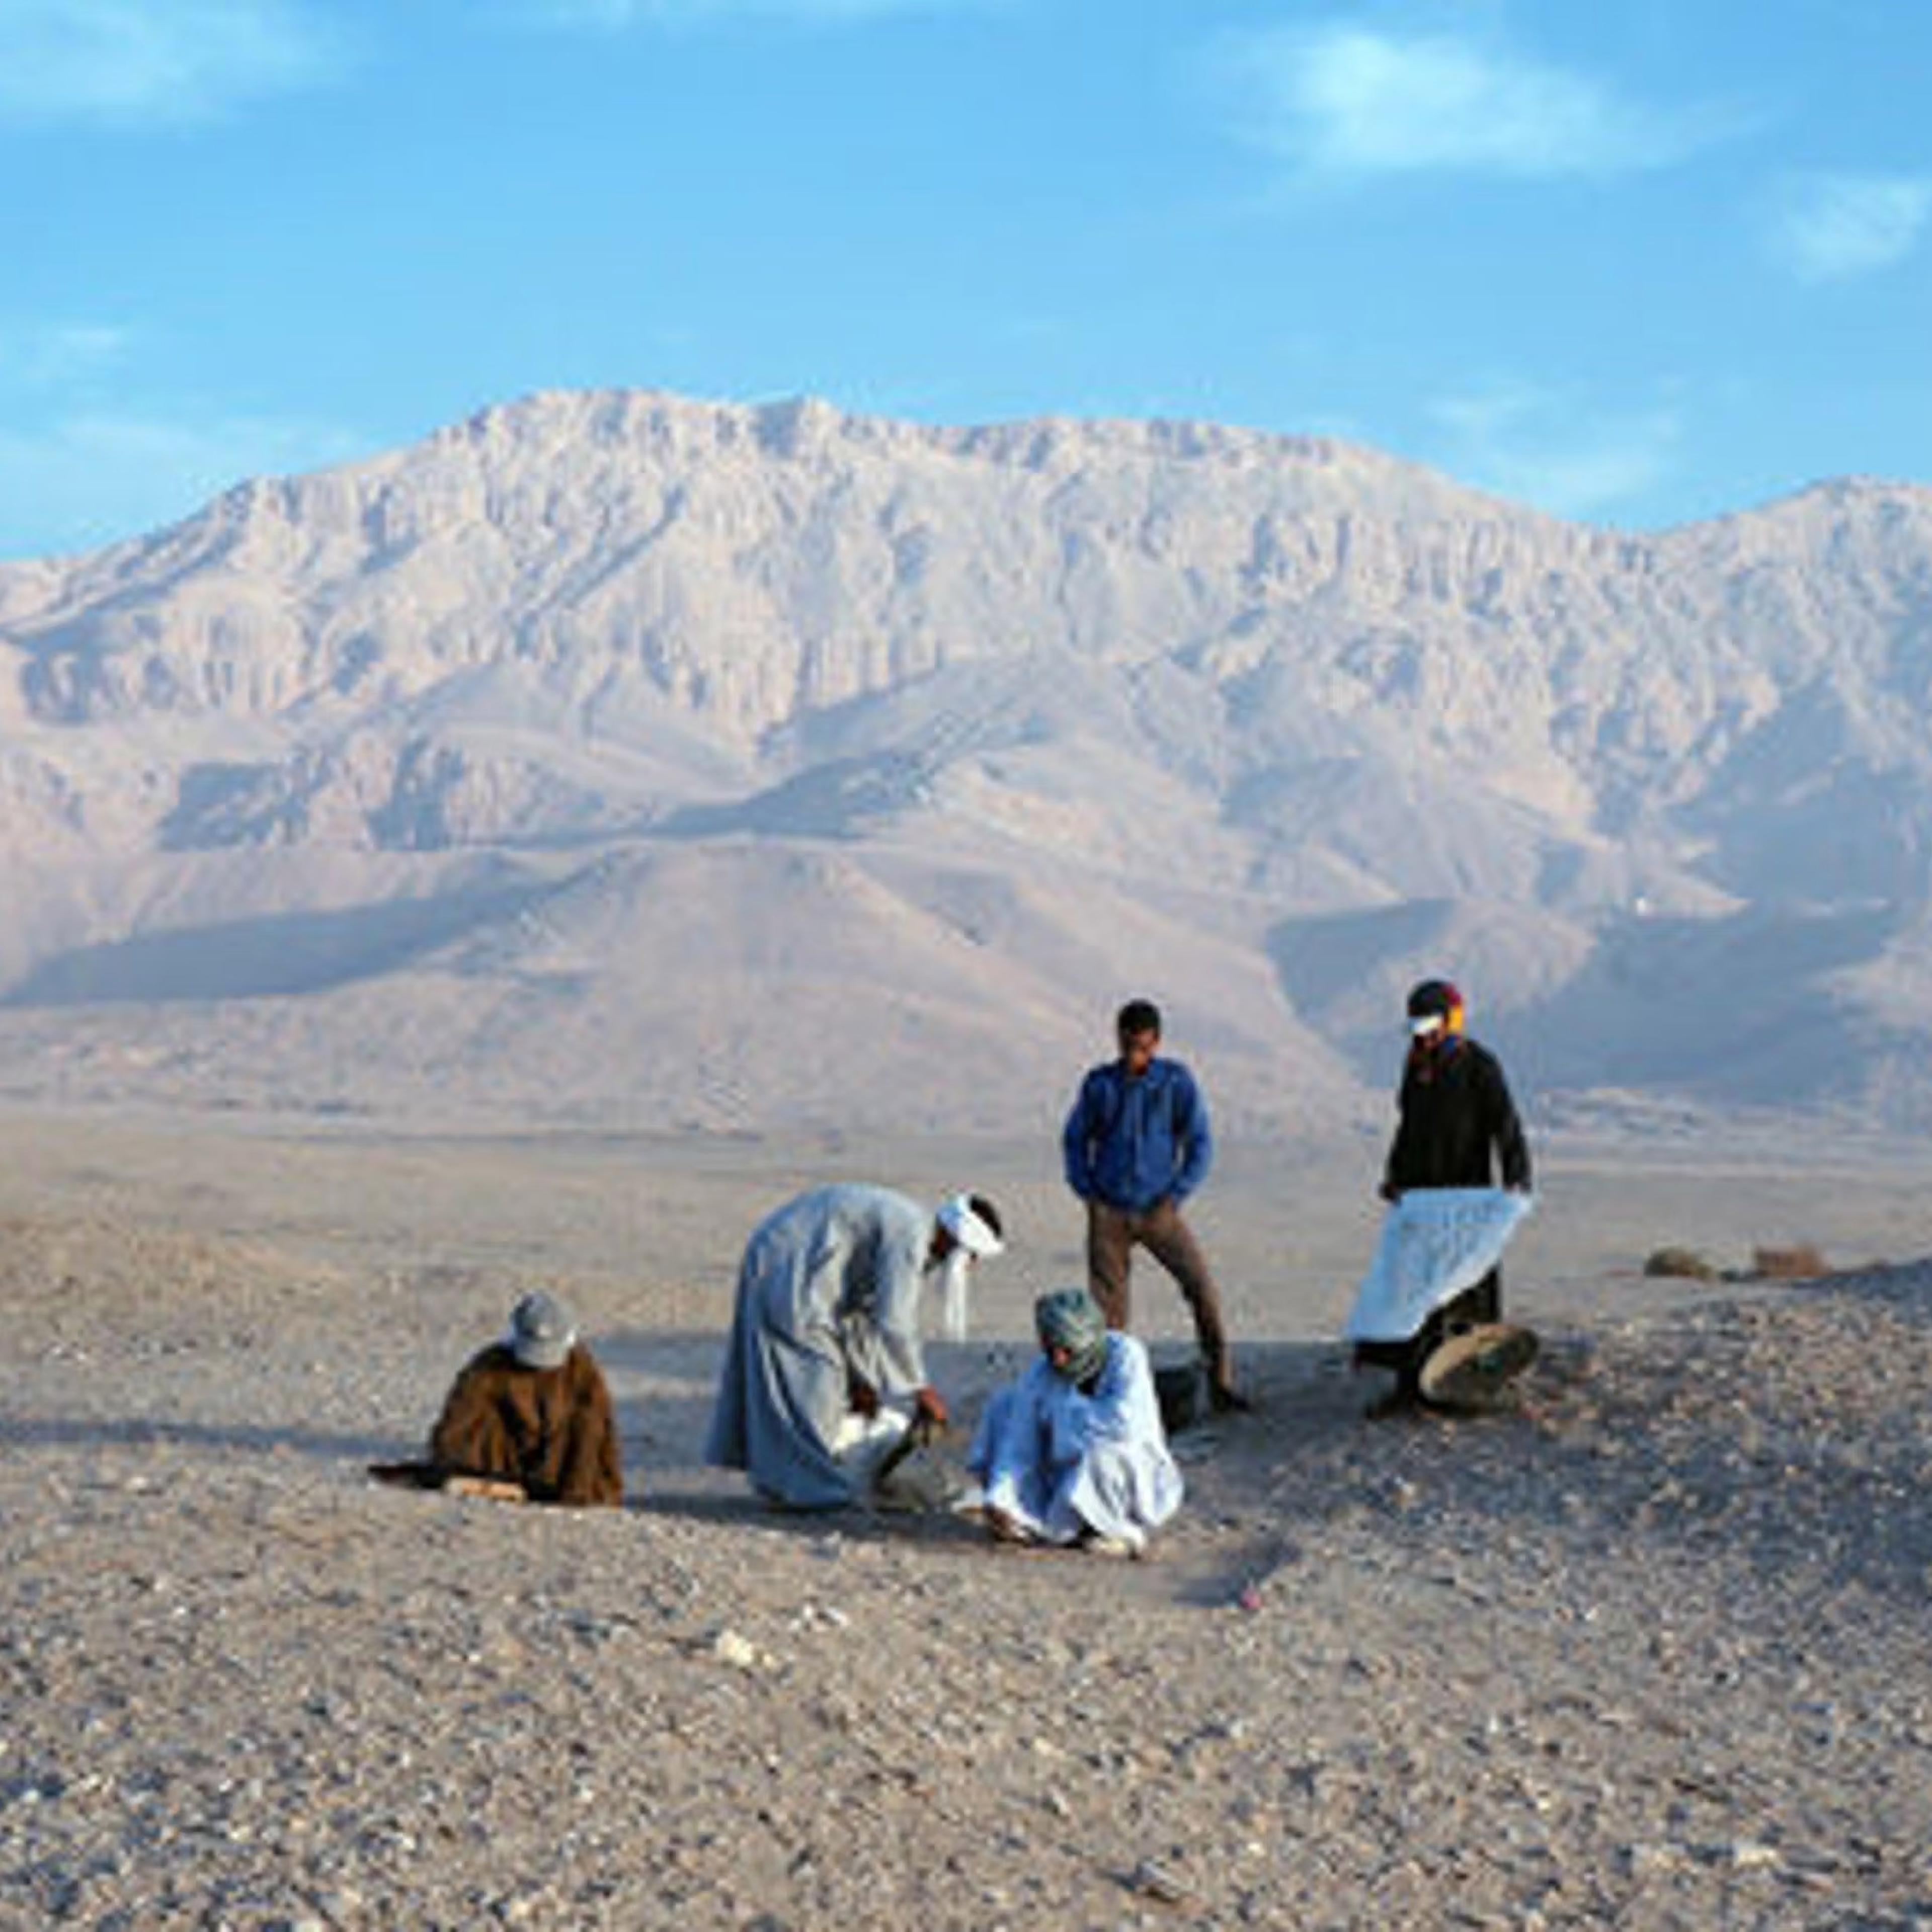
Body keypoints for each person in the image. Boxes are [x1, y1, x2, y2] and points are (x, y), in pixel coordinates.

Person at [705, 1183, 1005, 1509]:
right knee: (814, 1384)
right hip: (790, 1268)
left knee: (821, 1385)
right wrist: (921, 1390)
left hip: (798, 1270)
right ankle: (815, 1494)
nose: (972, 1265)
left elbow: (863, 1313)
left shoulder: (915, 1233)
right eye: (972, 1257)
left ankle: (790, 1486)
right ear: (959, 1243)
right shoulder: (910, 1236)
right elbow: (894, 1323)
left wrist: (863, 1379)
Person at [1061, 998, 1246, 1411]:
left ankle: (1221, 1384)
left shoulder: (1176, 1083)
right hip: (1109, 1212)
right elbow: (1075, 1139)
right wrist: (1087, 1192)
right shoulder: (1100, 1084)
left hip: (1159, 1210)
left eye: (1142, 1047)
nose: (1134, 1056)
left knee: (1202, 1288)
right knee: (1109, 1315)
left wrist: (1177, 1195)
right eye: (1127, 1046)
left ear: (1156, 1043)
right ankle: (1107, 1395)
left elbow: (1199, 1143)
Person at [1358, 978, 1533, 1412]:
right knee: (1413, 1289)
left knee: (1467, 1291)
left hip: (1466, 1198)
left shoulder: (1480, 1065)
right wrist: (1394, 1175)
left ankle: (1475, 1386)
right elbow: (1408, 1127)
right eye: (1419, 1026)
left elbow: (1506, 1125)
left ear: (1453, 1020)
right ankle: (1408, 1385)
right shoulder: (1416, 1068)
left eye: (1433, 1024)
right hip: (1420, 1198)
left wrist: (1516, 1178)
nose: (1426, 1034)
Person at [966, 1286, 1183, 1557]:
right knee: (1005, 1404)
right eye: (1051, 1349)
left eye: (1067, 1350)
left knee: (1102, 1454)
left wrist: (1062, 1413)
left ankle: (1116, 1531)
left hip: (1126, 1470)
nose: (1059, 1360)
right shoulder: (1043, 1373)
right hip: (1065, 1468)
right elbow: (1018, 1442)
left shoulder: (1126, 1356)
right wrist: (1000, 1497)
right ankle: (1025, 1517)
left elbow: (1123, 1425)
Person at [423, 1290, 624, 1505]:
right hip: (502, 1469)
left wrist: (579, 1490)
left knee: (588, 1424)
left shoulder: (583, 1373)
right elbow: (457, 1424)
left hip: (560, 1472)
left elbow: (596, 1437)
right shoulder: (490, 1367)